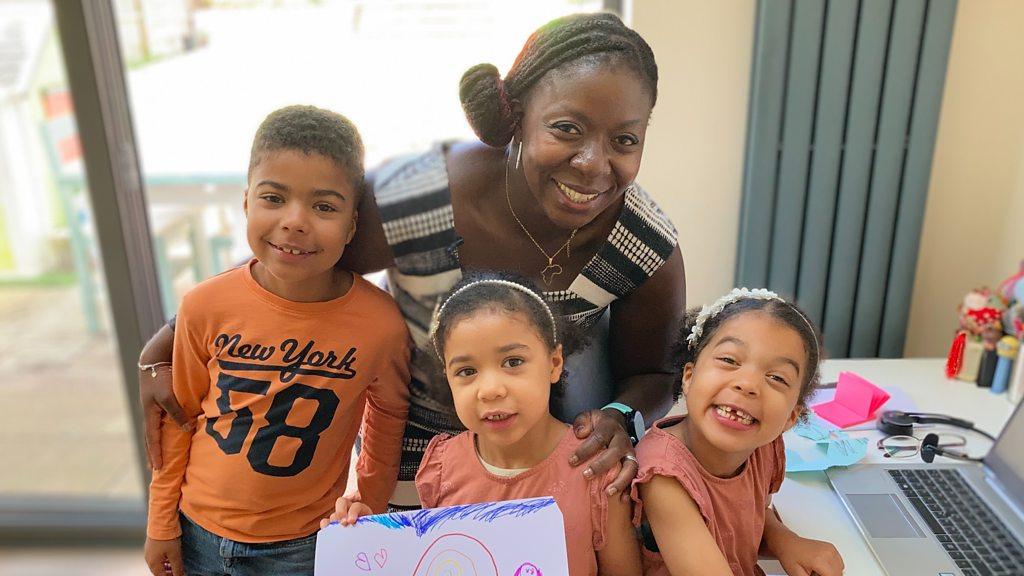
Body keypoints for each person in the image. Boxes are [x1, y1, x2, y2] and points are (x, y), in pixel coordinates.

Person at [139, 12, 686, 509]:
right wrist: (164, 345)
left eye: (624, 140)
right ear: (514, 118)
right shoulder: (414, 200)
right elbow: (289, 257)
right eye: (566, 129)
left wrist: (620, 418)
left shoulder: (643, 243)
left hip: (549, 467)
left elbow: (653, 372)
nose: (594, 164)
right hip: (414, 467)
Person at [142, 106, 410, 576]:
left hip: (308, 543)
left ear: (352, 225)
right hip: (197, 529)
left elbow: (387, 417)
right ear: (246, 203)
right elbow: (177, 418)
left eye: (324, 207)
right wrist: (160, 522)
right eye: (273, 198)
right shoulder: (204, 304)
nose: (295, 221)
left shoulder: (381, 323)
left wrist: (368, 503)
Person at [324, 272, 641, 576]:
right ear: (448, 379)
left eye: (513, 362)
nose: (490, 390)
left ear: (554, 363)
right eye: (466, 371)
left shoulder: (596, 470)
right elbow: (430, 558)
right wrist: (367, 534)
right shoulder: (440, 466)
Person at [631, 288, 844, 576]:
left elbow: (752, 511)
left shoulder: (762, 444)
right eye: (729, 360)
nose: (747, 384)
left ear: (791, 417)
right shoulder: (662, 475)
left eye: (777, 377)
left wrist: (785, 540)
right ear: (689, 377)